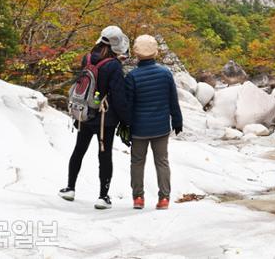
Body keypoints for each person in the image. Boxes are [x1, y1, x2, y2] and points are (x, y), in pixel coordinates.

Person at [59, 26, 131, 209]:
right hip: (104, 119)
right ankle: (102, 197)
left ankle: (70, 188)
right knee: (104, 156)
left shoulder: (87, 57)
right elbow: (118, 95)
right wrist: (127, 121)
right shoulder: (114, 65)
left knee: (79, 150)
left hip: (83, 113)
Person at [125, 34, 183, 210]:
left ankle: (138, 198)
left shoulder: (132, 76)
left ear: (136, 53)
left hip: (139, 128)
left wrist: (126, 128)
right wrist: (177, 121)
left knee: (137, 162)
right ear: (155, 52)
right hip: (160, 127)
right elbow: (173, 100)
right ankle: (164, 199)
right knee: (162, 161)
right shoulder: (165, 73)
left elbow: (128, 106)